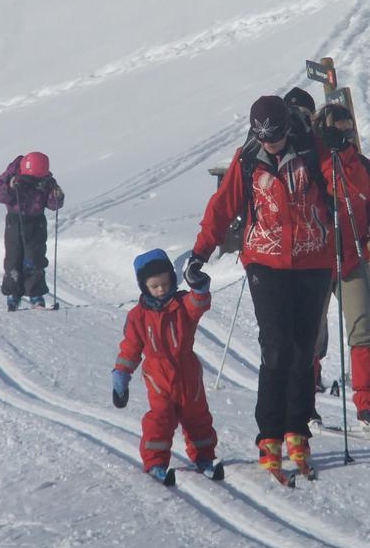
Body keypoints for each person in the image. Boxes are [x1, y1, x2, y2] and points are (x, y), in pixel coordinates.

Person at [189, 95, 334, 483]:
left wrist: (343, 147)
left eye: (277, 136)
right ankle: (269, 434)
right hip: (266, 263)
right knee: (276, 346)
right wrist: (200, 252)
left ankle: (297, 430)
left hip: (314, 260)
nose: (272, 144)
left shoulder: (312, 148)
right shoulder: (248, 157)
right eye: (264, 138)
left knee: (304, 350)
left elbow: (347, 185)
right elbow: (223, 206)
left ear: (288, 127)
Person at [312, 103, 370, 426]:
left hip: (352, 260)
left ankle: (367, 406)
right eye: (338, 128)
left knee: (364, 329)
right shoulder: (314, 163)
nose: (345, 134)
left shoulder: (363, 167)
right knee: (311, 334)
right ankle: (307, 400)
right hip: (317, 261)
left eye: (349, 128)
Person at [111, 249, 222, 484]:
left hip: (188, 372)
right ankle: (156, 462)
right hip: (158, 377)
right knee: (160, 420)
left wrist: (200, 286)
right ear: (144, 287)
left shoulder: (182, 304)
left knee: (198, 417)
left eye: (165, 283)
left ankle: (205, 458)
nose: (161, 289)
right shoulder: (137, 316)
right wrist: (121, 373)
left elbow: (199, 303)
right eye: (154, 285)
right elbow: (130, 347)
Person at [0, 152, 64, 311]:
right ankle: (13, 294)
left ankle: (36, 294)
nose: (36, 182)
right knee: (13, 257)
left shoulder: (47, 180)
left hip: (36, 222)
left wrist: (56, 197)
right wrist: (9, 187)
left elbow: (53, 204)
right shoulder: (12, 174)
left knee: (35, 258)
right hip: (15, 221)